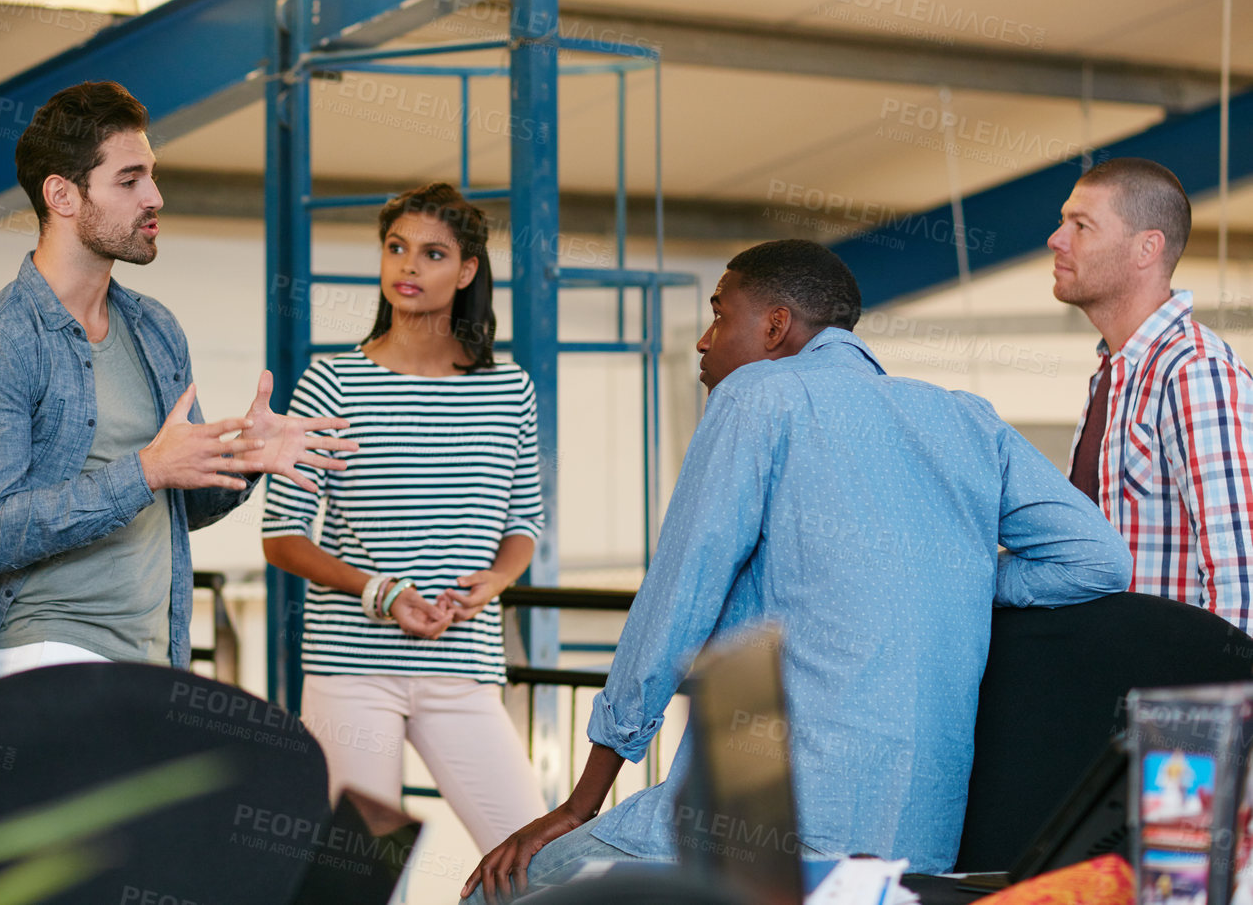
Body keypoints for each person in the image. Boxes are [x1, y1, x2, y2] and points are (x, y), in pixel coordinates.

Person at [464, 240, 1132, 903]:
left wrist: (579, 804)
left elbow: (675, 600)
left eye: (719, 314)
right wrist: (949, 575)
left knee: (504, 890)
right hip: (916, 847)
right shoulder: (965, 418)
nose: (703, 340)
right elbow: (1098, 559)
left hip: (763, 822)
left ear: (775, 326)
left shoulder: (758, 395)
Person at [0, 80, 356, 684]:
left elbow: (183, 503)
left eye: (151, 176)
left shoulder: (155, 328)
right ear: (62, 196)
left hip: (155, 655)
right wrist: (145, 470)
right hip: (46, 657)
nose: (154, 196)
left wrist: (243, 461)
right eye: (129, 181)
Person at [261, 182, 546, 854]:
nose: (408, 267)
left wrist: (496, 582)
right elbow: (282, 536)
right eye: (396, 248)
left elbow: (524, 522)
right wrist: (380, 591)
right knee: (358, 874)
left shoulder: (509, 391)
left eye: (432, 253)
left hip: (464, 665)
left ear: (468, 270)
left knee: (534, 856)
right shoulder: (332, 383)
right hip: (352, 670)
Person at [1048, 157, 1253, 633]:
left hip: (1175, 695)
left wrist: (1218, 701)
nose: (1057, 239)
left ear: (1147, 249)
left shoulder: (1193, 369)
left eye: (1081, 225)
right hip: (1120, 682)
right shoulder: (1113, 376)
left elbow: (1242, 571)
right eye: (1062, 221)